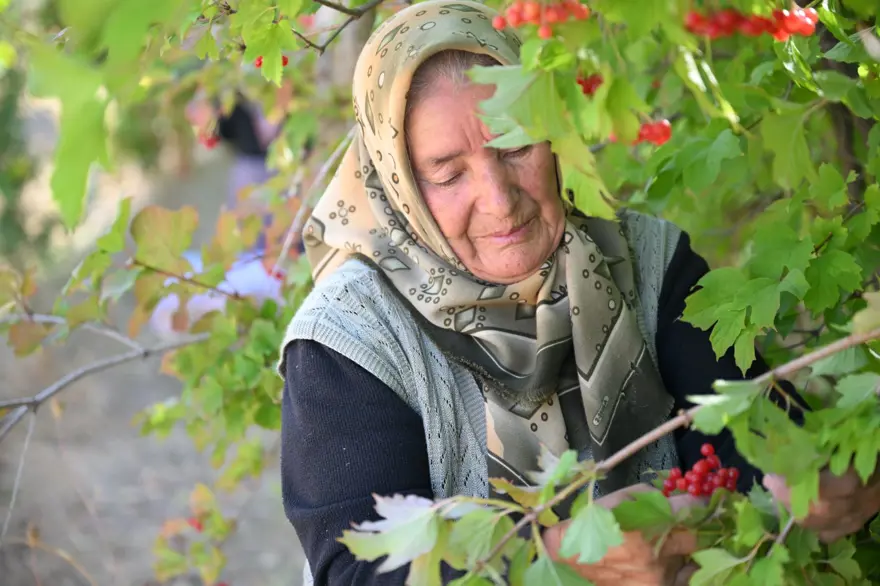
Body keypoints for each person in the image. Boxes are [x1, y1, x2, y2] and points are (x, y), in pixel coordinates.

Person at [277, 2, 880, 584]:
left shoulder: (647, 260)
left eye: (515, 145)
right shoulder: (351, 339)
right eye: (448, 173)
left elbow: (743, 445)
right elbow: (356, 573)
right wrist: (550, 559)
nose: (498, 197)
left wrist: (812, 484)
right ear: (399, 181)